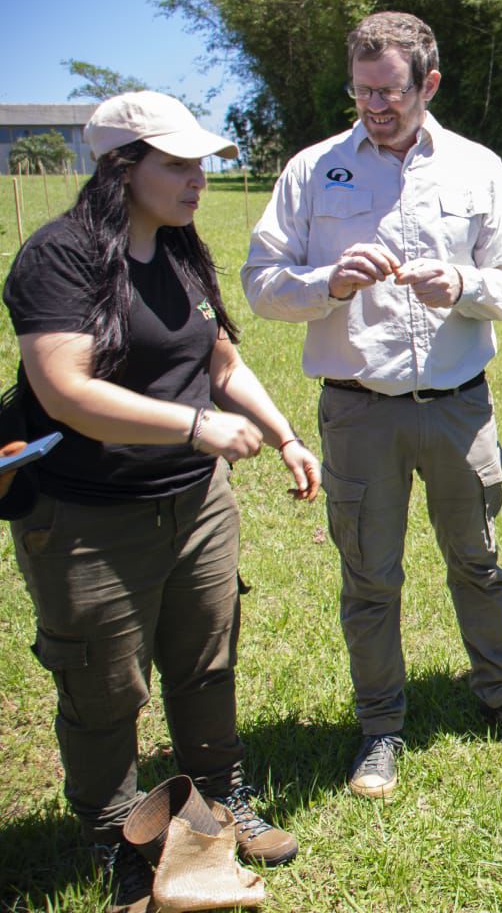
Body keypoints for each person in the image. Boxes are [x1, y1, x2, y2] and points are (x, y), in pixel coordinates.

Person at [3, 91, 313, 913]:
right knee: (106, 688)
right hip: (86, 518)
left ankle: (215, 807)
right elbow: (65, 392)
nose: (198, 178)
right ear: (120, 167)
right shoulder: (59, 258)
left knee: (205, 662)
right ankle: (119, 840)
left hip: (196, 505)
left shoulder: (178, 249)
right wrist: (195, 428)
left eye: (201, 162)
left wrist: (281, 433)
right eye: (177, 163)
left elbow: (218, 360)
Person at [242, 11, 502, 802]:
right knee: (370, 577)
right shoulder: (312, 171)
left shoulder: (477, 166)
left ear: (430, 84)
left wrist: (463, 287)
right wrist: (327, 282)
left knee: (478, 561)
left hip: (459, 408)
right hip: (360, 412)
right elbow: (259, 283)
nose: (374, 107)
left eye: (389, 92)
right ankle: (380, 727)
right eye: (362, 92)